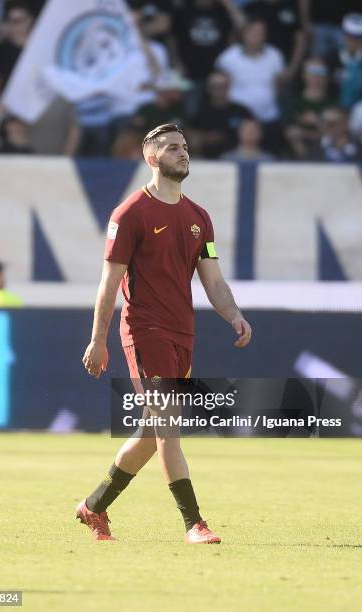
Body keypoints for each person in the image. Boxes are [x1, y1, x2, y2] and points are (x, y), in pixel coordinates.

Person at [78, 123, 252, 543]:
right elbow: (108, 282)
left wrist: (234, 315)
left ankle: (94, 505)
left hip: (182, 334)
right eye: (173, 148)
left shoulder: (199, 218)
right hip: (144, 331)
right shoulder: (130, 213)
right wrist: (98, 339)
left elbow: (213, 281)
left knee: (152, 433)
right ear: (151, 157)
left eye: (185, 147)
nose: (182, 153)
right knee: (169, 426)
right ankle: (194, 523)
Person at [188, 71, 252, 158]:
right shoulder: (199, 112)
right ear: (209, 88)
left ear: (229, 87)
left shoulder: (241, 111)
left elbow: (253, 133)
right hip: (205, 159)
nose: (220, 90)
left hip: (237, 157)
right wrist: (205, 138)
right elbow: (191, 135)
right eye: (216, 87)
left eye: (223, 86)